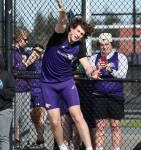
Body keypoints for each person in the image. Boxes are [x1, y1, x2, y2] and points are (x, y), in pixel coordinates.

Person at [40, 0, 99, 150]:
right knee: (54, 121)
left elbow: (87, 66)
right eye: (78, 31)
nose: (79, 35)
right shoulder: (59, 36)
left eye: (82, 34)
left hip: (66, 82)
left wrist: (93, 72)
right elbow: (61, 23)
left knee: (77, 115)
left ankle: (89, 148)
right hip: (48, 84)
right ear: (72, 28)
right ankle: (62, 146)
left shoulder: (79, 47)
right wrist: (62, 13)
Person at [89, 33, 128, 150]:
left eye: (106, 44)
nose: (104, 47)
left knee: (115, 125)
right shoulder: (93, 58)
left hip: (115, 96)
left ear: (111, 44)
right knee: (100, 126)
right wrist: (97, 69)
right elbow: (89, 74)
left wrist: (109, 68)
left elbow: (122, 75)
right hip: (98, 95)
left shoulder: (120, 57)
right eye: (101, 45)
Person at [0, 51, 15, 150]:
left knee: (3, 138)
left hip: (4, 110)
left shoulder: (6, 75)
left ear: (1, 63)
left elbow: (11, 93)